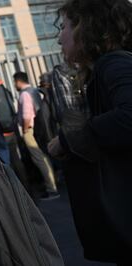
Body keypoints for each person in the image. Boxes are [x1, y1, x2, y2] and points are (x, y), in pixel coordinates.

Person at [48, 0, 132, 264]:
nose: (59, 37)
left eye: (65, 27)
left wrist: (68, 140)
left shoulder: (114, 64)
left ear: (89, 29)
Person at [14, 72, 59, 200]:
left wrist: (24, 130)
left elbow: (27, 115)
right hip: (39, 127)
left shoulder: (25, 94)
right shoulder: (34, 90)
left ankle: (51, 188)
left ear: (18, 81)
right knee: (42, 157)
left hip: (29, 129)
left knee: (39, 158)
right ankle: (52, 183)